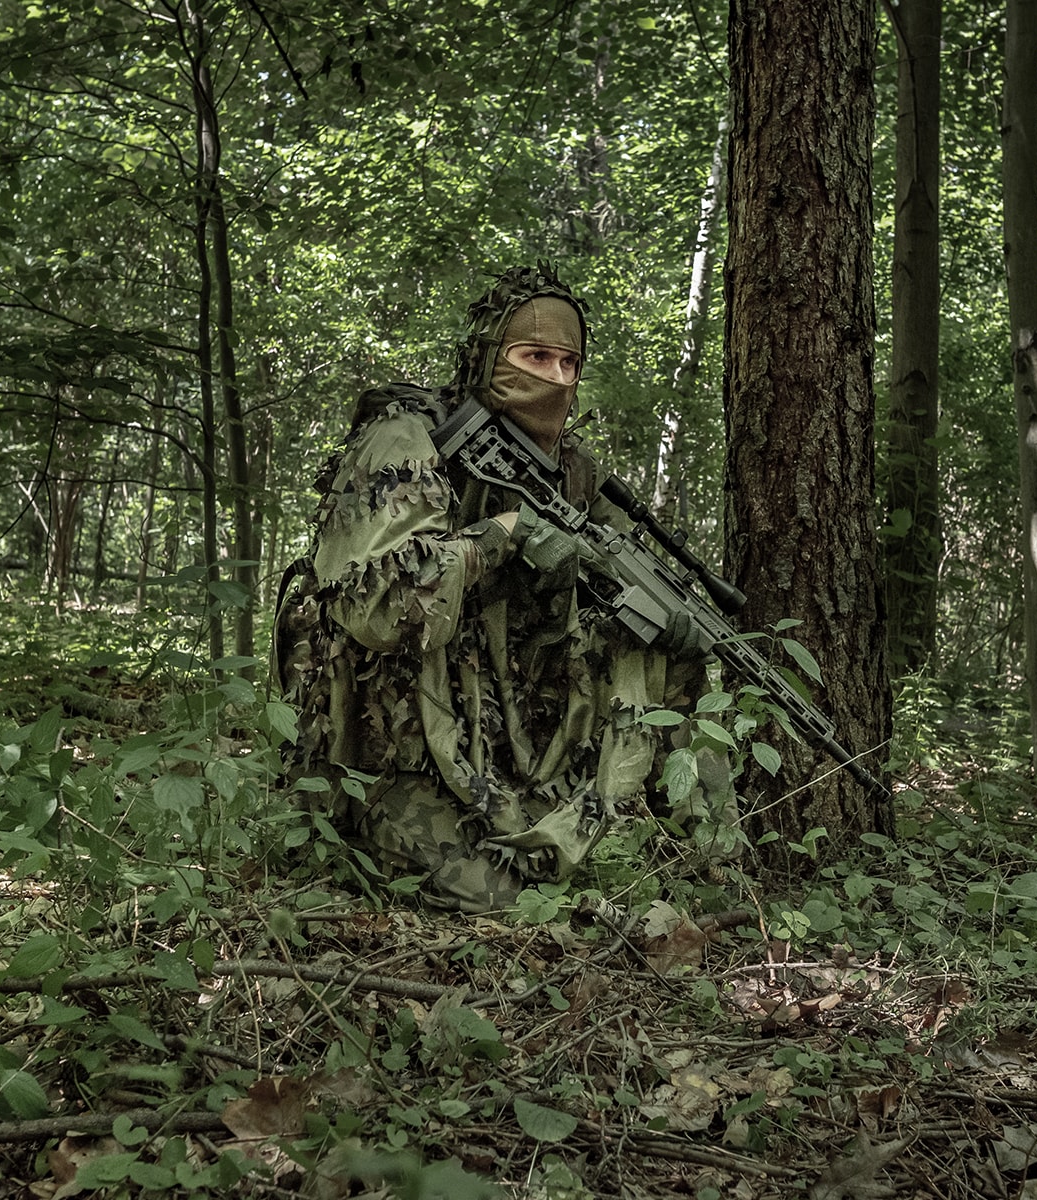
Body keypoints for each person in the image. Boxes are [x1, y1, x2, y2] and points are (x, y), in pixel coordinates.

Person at [275, 262, 732, 912]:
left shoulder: (572, 475)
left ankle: (713, 863)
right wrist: (502, 535)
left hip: (513, 759)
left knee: (664, 635)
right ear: (488, 357)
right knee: (508, 903)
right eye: (533, 355)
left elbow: (617, 568)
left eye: (568, 363)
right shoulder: (408, 440)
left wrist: (666, 623)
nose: (553, 378)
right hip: (395, 762)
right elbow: (382, 608)